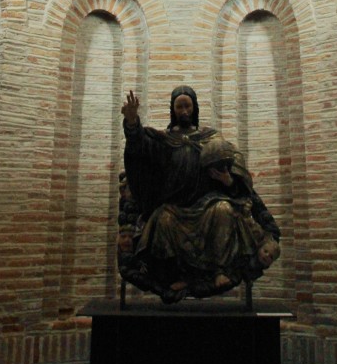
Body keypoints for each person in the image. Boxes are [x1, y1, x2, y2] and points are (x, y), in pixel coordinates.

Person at [117, 85, 280, 303]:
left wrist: (227, 180)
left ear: (194, 108)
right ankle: (180, 276)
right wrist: (131, 122)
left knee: (224, 210)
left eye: (187, 105)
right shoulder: (163, 141)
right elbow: (138, 148)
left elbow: (238, 184)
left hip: (208, 205)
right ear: (172, 110)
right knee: (163, 219)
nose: (184, 110)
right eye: (179, 106)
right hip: (175, 208)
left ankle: (219, 270)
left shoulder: (211, 139)